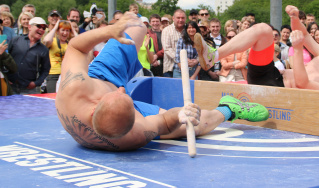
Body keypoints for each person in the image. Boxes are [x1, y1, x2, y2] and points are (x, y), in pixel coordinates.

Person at [55, 12, 269, 151]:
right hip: (108, 96)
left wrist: (107, 32)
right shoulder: (135, 134)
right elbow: (166, 122)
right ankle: (229, 109)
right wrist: (180, 114)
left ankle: (127, 25)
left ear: (95, 108)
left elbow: (75, 46)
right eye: (125, 95)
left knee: (134, 25)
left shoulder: (73, 87)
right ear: (135, 115)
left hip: (102, 75)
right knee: (191, 125)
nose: (123, 89)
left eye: (120, 93)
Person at [194, 5, 319, 92]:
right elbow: (305, 36)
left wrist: (297, 50)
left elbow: (303, 83)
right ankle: (214, 55)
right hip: (268, 73)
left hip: (276, 89)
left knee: (268, 36)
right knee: (264, 30)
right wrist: (295, 18)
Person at [8, 17, 51, 94]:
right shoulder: (16, 40)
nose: (41, 29)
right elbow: (5, 58)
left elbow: (46, 69)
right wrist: (6, 76)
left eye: (44, 28)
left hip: (28, 88)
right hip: (10, 84)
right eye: (39, 26)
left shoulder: (44, 49)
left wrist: (36, 83)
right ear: (29, 27)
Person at [43, 20, 78, 93]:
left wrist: (72, 28)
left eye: (67, 31)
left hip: (66, 75)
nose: (65, 33)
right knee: (52, 98)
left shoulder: (70, 44)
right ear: (58, 31)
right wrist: (56, 26)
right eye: (62, 30)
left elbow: (80, 42)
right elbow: (46, 40)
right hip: (53, 74)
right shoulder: (53, 41)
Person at [161, 9, 186, 77]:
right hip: (170, 68)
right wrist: (181, 60)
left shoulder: (189, 30)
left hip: (187, 68)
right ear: (173, 18)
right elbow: (167, 49)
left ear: (185, 18)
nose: (180, 20)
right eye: (178, 18)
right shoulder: (166, 30)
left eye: (182, 18)